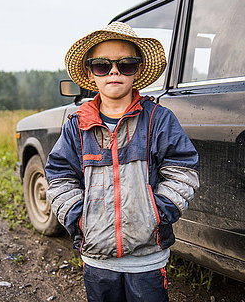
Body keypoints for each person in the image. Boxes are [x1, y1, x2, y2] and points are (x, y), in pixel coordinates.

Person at [45, 22, 199, 302]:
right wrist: (80, 219)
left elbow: (183, 172)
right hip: (97, 261)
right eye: (102, 65)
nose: (114, 71)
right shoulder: (76, 126)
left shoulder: (159, 120)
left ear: (137, 70)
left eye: (125, 64)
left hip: (148, 261)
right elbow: (59, 177)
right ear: (92, 74)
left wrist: (155, 213)